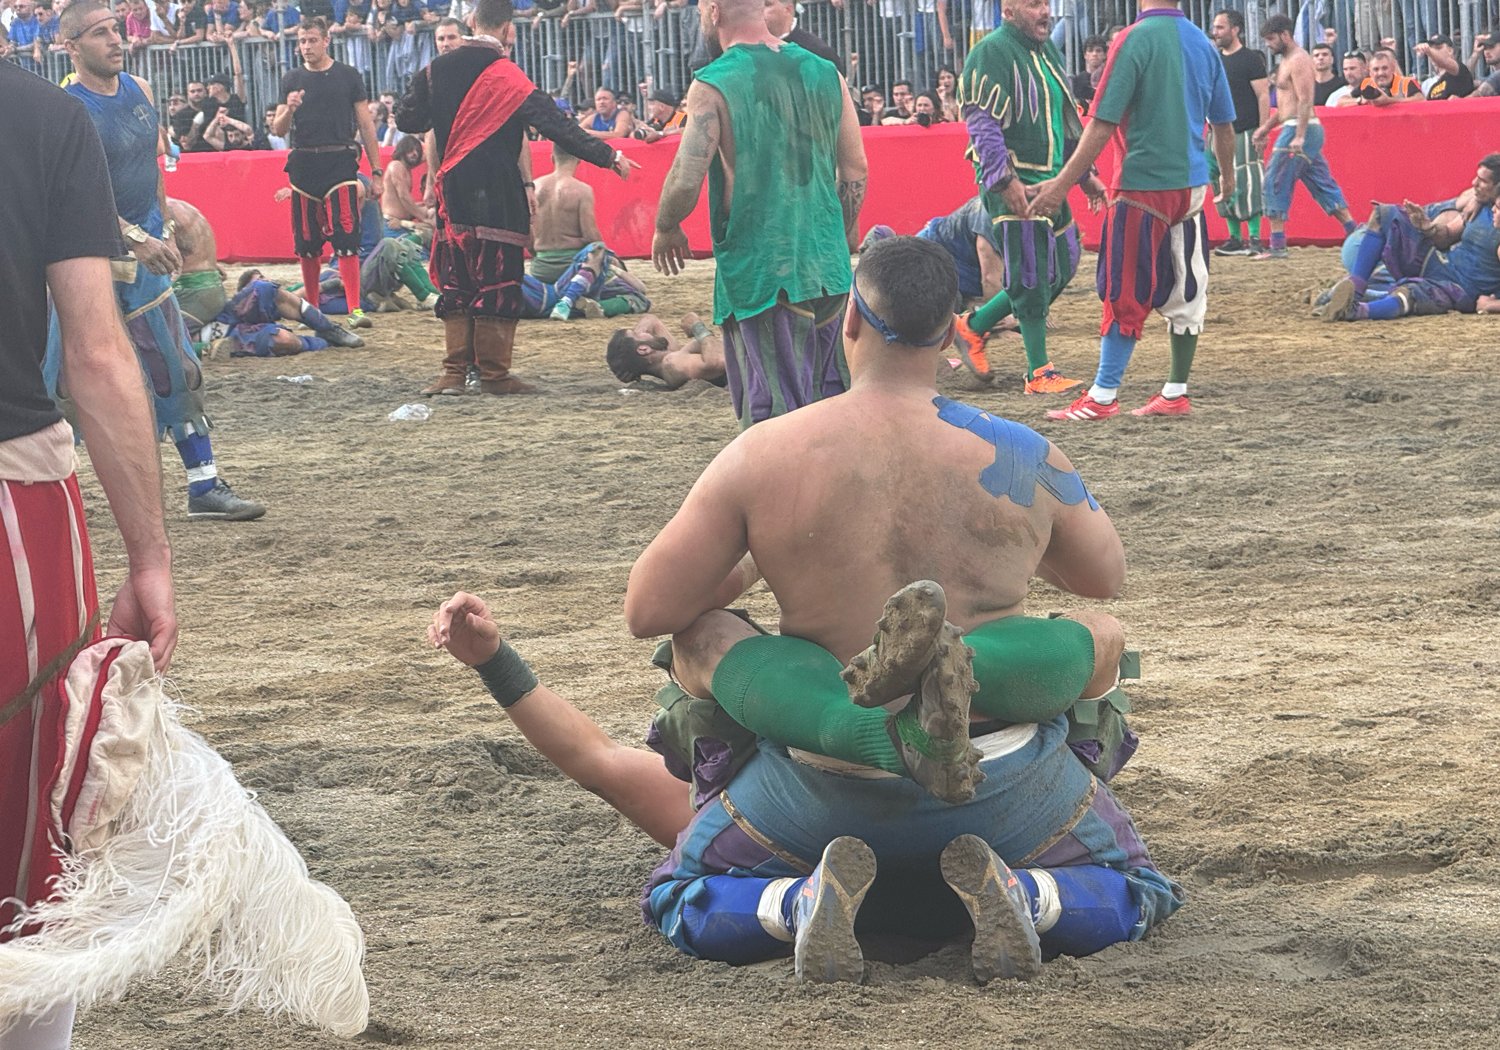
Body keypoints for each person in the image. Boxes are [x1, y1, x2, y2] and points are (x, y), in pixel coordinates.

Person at [429, 237, 1180, 981]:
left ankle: (800, 897)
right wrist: (1008, 543)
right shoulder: (1024, 452)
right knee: (1103, 668)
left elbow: (648, 609)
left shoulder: (768, 452)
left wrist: (761, 555)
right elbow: (1102, 576)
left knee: (697, 663)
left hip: (813, 798)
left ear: (850, 317)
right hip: (1007, 787)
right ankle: (1032, 892)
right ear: (952, 329)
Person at [2, 55, 177, 1050]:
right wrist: (148, 553)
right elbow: (98, 351)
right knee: (29, 840)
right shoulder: (38, 111)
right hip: (13, 510)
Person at [44, 1, 264, 521]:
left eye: (116, 30)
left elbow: (151, 167)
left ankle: (204, 487)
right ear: (71, 46)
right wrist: (136, 236)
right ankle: (52, 499)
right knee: (62, 380)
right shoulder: (64, 109)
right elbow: (70, 192)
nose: (115, 41)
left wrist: (161, 227)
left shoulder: (139, 90)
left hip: (144, 260)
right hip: (84, 261)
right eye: (99, 34)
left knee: (175, 365)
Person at [394, 0, 637, 396]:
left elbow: (408, 120)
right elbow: (559, 127)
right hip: (499, 191)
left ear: (471, 23)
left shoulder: (434, 70)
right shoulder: (510, 78)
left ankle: (455, 373)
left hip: (453, 189)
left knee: (458, 278)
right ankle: (493, 375)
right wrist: (610, 156)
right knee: (497, 279)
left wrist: (443, 110)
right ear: (510, 31)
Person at [651, 0, 867, 429]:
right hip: (827, 266)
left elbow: (686, 177)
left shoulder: (712, 84)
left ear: (713, 11)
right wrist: (838, 230)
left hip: (763, 271)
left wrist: (666, 225)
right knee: (832, 399)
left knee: (773, 412)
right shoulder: (827, 73)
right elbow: (856, 169)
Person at [1027, 0, 1235, 421]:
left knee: (1123, 287)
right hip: (1192, 186)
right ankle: (1175, 390)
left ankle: (1103, 395)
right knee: (1188, 288)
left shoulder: (1131, 40)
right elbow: (1225, 126)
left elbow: (1102, 122)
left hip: (1141, 185)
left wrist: (1062, 184)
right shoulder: (1202, 43)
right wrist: (1227, 179)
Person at [951, 0, 1099, 394]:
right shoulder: (990, 51)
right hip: (1016, 179)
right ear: (1008, 10)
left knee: (1063, 264)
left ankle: (973, 326)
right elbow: (981, 122)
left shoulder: (1046, 48)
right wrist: (1003, 180)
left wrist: (1083, 175)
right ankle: (1039, 372)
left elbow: (1065, 117)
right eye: (1034, 4)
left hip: (1051, 179)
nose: (1045, 11)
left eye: (1047, 3)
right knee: (1031, 272)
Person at [271, 16, 383, 332]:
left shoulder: (348, 76)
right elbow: (278, 129)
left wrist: (376, 172)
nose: (306, 47)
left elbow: (366, 125)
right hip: (305, 164)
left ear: (326, 40)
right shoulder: (292, 78)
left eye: (311, 40)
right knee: (306, 240)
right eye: (302, 41)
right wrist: (290, 108)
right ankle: (315, 312)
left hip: (340, 160)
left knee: (347, 233)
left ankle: (355, 308)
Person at [1321, 156, 1500, 322]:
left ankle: (1357, 311)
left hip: (1461, 289)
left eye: (1482, 181)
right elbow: (1446, 237)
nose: (1474, 183)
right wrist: (1428, 228)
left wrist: (1490, 305)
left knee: (1410, 293)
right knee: (1385, 214)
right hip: (1440, 264)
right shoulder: (1481, 205)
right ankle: (1355, 289)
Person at [1250, 14, 1356, 261]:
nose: (1268, 44)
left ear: (1285, 35)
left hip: (1301, 128)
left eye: (1271, 39)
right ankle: (1354, 231)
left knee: (1275, 178)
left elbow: (1306, 99)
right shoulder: (1289, 60)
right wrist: (1265, 129)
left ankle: (1278, 246)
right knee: (1320, 182)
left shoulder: (1298, 60)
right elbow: (1288, 105)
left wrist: (1298, 135)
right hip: (1300, 127)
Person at [1207, 9, 1268, 258]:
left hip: (1245, 129)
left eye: (1221, 27)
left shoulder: (1250, 59)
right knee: (1218, 178)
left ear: (1236, 29)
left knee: (1249, 181)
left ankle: (1254, 237)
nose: (1216, 32)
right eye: (1215, 27)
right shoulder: (1214, 59)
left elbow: (1263, 96)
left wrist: (1262, 130)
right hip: (1216, 131)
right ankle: (1234, 237)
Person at [205, 268, 366, 356]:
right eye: (258, 277)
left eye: (263, 276)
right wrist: (334, 281)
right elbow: (304, 292)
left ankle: (330, 329)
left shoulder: (270, 290)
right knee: (282, 339)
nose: (265, 278)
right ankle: (327, 340)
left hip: (222, 316)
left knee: (266, 288)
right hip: (218, 333)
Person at [530, 142, 605, 282]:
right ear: (578, 160)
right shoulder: (582, 190)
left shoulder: (534, 188)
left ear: (552, 158)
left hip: (541, 268)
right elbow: (590, 235)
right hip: (573, 267)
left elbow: (527, 233)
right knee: (635, 294)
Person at [165, 197, 229, 343]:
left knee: (145, 339)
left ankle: (205, 346)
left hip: (192, 296)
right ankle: (205, 335)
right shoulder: (183, 207)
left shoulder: (160, 213)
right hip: (214, 291)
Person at [606, 312, 726, 387]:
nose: (644, 330)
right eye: (637, 332)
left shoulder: (673, 354)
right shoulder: (671, 362)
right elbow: (717, 362)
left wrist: (630, 361)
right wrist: (697, 326)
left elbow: (651, 319)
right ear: (643, 349)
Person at [763, 0, 840, 71]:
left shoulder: (819, 53)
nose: (758, 10)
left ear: (788, 9)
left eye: (766, 4)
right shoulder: (752, 48)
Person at [382, 134, 433, 233]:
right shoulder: (396, 166)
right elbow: (404, 196)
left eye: (417, 150)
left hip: (401, 223)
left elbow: (428, 153)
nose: (415, 153)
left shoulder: (407, 167)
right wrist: (423, 218)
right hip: (391, 224)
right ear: (403, 151)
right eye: (411, 150)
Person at [1354, 48, 1422, 105]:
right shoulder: (1366, 83)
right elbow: (1343, 99)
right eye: (1376, 69)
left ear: (1392, 69)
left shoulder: (1406, 82)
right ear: (1370, 72)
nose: (1380, 73)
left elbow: (1421, 99)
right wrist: (1360, 100)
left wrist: (1389, 101)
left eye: (1384, 68)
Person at [1417, 34, 1473, 99]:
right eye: (1432, 49)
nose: (1434, 52)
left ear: (1450, 51)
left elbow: (1444, 62)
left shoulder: (1460, 71)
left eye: (1438, 48)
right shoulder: (1433, 88)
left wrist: (1429, 51)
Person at [1070, 34, 1105, 110]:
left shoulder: (1108, 78)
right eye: (1090, 50)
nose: (1094, 54)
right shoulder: (1077, 81)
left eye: (1098, 51)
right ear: (1085, 55)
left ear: (1104, 55)